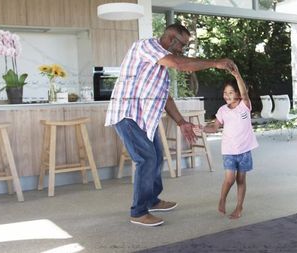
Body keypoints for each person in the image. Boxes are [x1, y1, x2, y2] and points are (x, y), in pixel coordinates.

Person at [105, 23, 236, 227]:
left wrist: (182, 122)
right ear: (170, 38)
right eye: (181, 45)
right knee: (146, 159)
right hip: (128, 114)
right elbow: (181, 64)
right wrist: (216, 63)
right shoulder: (144, 47)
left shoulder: (160, 67)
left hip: (145, 119)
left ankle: (152, 200)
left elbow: (165, 97)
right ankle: (138, 212)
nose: (182, 50)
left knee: (156, 156)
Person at [202, 66, 259, 219]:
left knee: (241, 179)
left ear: (239, 94)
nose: (227, 95)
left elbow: (245, 93)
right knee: (229, 179)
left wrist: (237, 75)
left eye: (231, 92)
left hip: (245, 150)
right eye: (225, 92)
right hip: (228, 150)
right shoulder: (222, 110)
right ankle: (222, 199)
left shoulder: (244, 106)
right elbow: (214, 127)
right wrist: (201, 128)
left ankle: (239, 207)